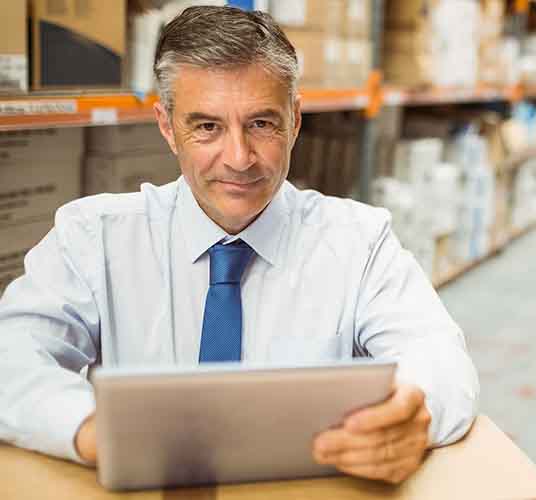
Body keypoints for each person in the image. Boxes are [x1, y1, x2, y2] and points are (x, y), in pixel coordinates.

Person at [0, 7, 478, 485]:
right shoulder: (93, 236)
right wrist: (93, 429)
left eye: (261, 124)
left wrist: (413, 414)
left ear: (294, 119)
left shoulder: (360, 241)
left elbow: (439, 356)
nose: (238, 158)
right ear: (167, 126)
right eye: (206, 126)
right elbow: (11, 356)